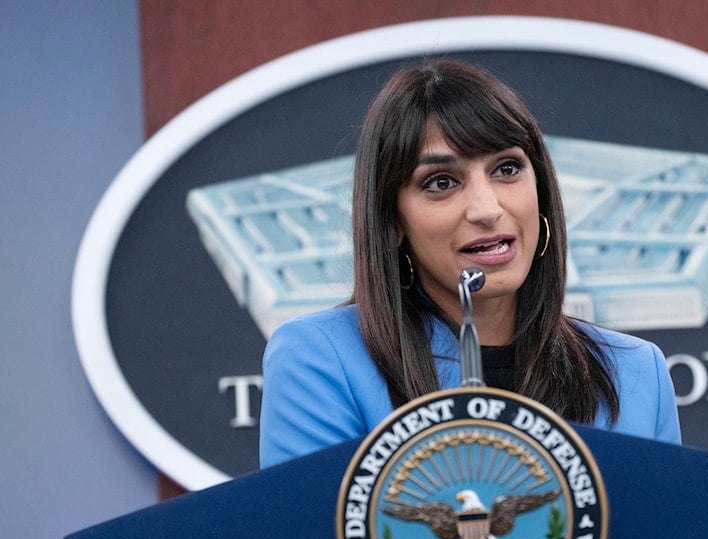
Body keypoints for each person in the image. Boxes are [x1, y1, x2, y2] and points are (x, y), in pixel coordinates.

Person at [259, 59, 680, 467]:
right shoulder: (321, 358)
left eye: (507, 168)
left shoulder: (636, 371)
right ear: (393, 220)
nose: (486, 208)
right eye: (441, 183)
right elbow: (317, 537)